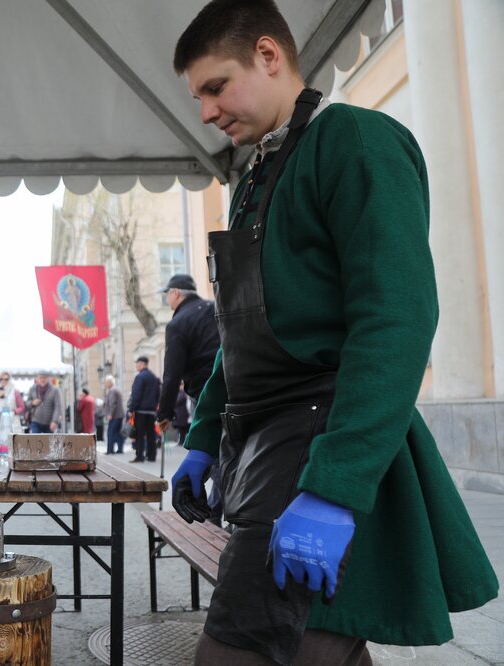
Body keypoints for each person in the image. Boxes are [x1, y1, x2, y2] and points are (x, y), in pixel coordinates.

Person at [169, 2, 498, 664]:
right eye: (197, 96)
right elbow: (243, 334)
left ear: (268, 56)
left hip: (320, 445)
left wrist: (333, 487)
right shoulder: (252, 177)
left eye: (214, 86)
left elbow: (396, 318)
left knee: (244, 655)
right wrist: (203, 439)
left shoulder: (353, 139)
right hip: (260, 452)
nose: (204, 112)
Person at [153, 273, 219, 435]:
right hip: (231, 381)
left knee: (207, 443)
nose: (166, 299)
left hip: (205, 390)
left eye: (166, 293)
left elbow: (172, 373)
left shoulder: (177, 324)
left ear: (175, 293)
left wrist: (164, 413)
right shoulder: (215, 308)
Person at [126, 356, 160, 462]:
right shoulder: (154, 377)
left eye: (138, 363)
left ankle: (140, 456)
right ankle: (151, 455)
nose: (136, 365)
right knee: (151, 434)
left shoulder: (140, 377)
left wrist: (131, 409)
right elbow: (158, 394)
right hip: (151, 411)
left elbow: (136, 395)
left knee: (140, 434)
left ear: (143, 364)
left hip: (141, 410)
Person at [0, 371, 26, 450]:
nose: (3, 381)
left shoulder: (15, 391)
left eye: (6, 379)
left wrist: (13, 412)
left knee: (14, 448)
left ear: (9, 379)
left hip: (13, 423)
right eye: (1, 379)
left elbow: (22, 407)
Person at [102, 375, 125, 455]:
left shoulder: (112, 390)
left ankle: (110, 450)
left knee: (110, 433)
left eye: (106, 382)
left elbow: (113, 403)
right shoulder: (116, 389)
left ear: (109, 382)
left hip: (114, 416)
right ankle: (120, 449)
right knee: (118, 433)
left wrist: (110, 414)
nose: (105, 384)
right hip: (119, 415)